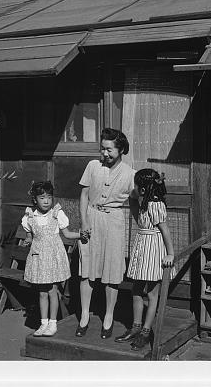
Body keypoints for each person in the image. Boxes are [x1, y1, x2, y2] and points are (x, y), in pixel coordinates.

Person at [77, 128, 135, 339]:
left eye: (109, 149)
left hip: (114, 222)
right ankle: (84, 315)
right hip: (91, 218)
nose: (104, 153)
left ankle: (108, 316)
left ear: (120, 150)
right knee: (87, 269)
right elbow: (83, 195)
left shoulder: (130, 174)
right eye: (102, 149)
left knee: (112, 272)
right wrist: (84, 222)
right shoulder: (93, 166)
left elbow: (137, 203)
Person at [114, 168, 175, 350]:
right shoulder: (142, 202)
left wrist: (170, 253)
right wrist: (136, 193)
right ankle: (136, 327)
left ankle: (146, 332)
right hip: (142, 245)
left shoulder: (156, 205)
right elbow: (132, 199)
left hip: (154, 249)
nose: (134, 188)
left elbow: (165, 230)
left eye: (136, 185)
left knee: (151, 293)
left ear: (143, 188)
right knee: (136, 289)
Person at [21, 181, 88, 337]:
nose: (46, 201)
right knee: (42, 292)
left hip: (53, 257)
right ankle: (43, 323)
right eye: (42, 197)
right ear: (35, 199)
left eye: (49, 197)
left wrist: (81, 234)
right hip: (38, 258)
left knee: (53, 290)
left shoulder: (57, 214)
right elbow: (29, 236)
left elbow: (68, 234)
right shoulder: (29, 216)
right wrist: (27, 241)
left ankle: (53, 323)